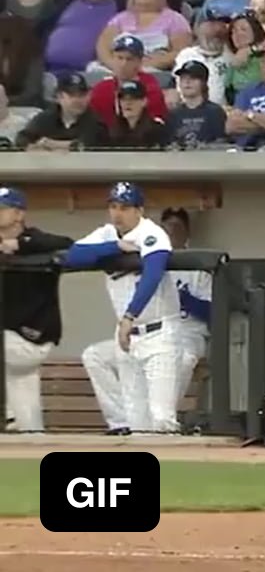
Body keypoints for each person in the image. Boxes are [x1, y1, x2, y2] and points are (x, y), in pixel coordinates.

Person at [66, 182, 181, 434]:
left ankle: (174, 468)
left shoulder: (152, 233)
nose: (117, 213)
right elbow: (72, 256)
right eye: (113, 206)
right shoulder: (107, 234)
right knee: (137, 420)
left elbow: (152, 275)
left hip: (159, 334)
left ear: (139, 210)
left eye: (125, 207)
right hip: (127, 337)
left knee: (161, 419)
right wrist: (114, 248)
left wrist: (130, 315)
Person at [0, 186, 74, 433]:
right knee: (28, 416)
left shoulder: (36, 240)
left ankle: (8, 416)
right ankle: (31, 436)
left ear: (19, 214)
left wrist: (20, 244)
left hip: (33, 336)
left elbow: (67, 244)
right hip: (9, 341)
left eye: (2, 209)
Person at [160, 208, 211, 412]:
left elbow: (213, 312)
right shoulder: (154, 263)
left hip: (189, 334)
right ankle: (126, 423)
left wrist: (185, 299)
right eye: (167, 227)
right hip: (158, 334)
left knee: (181, 361)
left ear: (187, 232)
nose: (172, 232)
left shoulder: (198, 266)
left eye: (177, 227)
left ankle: (165, 417)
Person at [89, 35, 169, 129]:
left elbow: (156, 124)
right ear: (113, 59)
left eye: (129, 59)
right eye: (120, 58)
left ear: (139, 62)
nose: (123, 64)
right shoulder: (101, 89)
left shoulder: (150, 88)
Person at [16, 72, 104, 150]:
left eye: (82, 95)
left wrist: (50, 144)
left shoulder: (95, 121)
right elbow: (22, 139)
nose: (78, 101)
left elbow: (87, 145)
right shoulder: (46, 118)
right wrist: (33, 148)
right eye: (72, 95)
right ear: (59, 97)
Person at [166, 60, 227, 148]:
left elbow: (222, 142)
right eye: (183, 78)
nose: (187, 82)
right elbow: (169, 144)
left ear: (203, 82)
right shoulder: (173, 114)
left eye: (193, 78)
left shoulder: (215, 112)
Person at [100, 79, 171, 148]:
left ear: (144, 101)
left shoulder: (156, 131)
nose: (128, 103)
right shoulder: (111, 132)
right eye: (123, 99)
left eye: (133, 99)